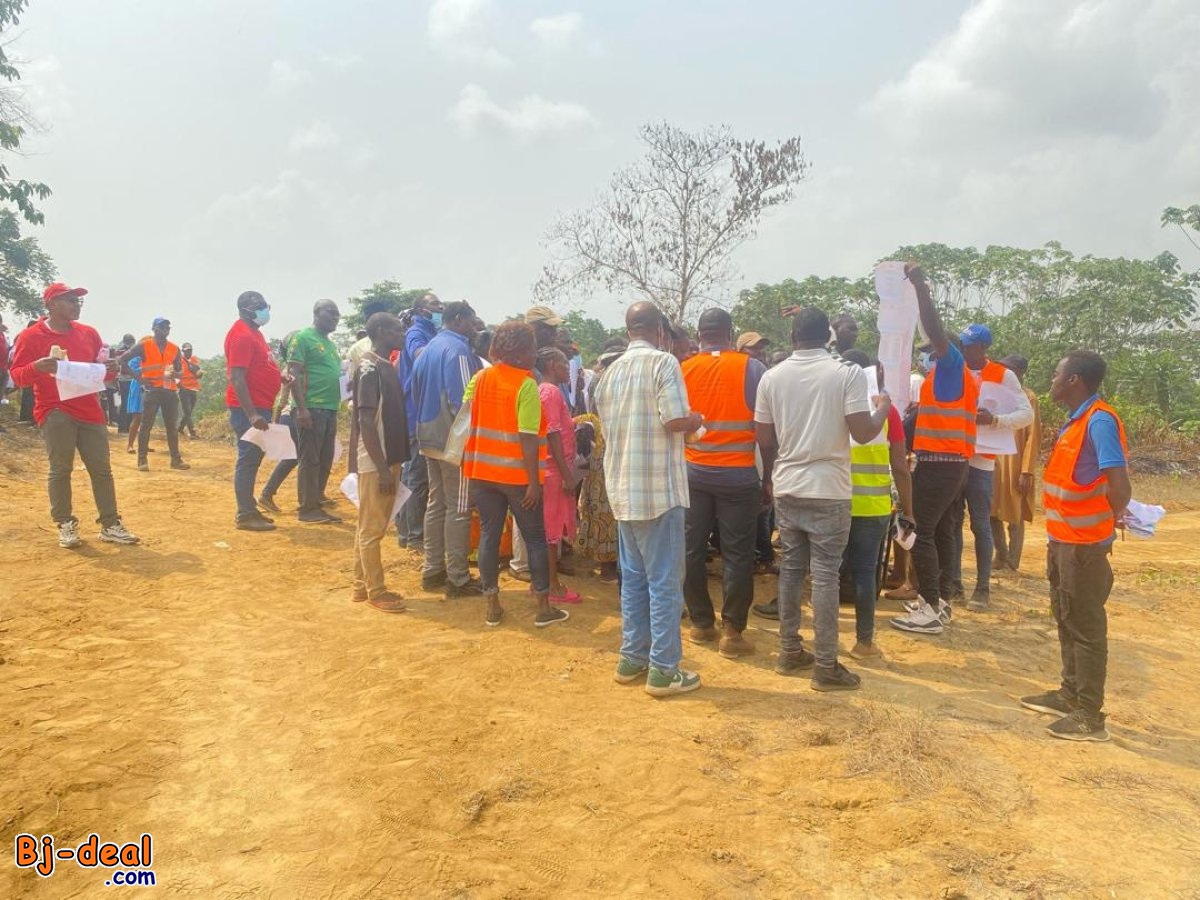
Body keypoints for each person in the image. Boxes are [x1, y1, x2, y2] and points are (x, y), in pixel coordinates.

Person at [756, 307, 889, 691]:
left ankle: (788, 651)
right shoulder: (844, 373)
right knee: (826, 575)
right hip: (829, 488)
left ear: (794, 335)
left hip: (788, 485)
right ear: (828, 336)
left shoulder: (772, 376)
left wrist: (771, 476)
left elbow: (764, 439)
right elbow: (863, 433)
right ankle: (826, 666)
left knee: (792, 570)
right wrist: (882, 410)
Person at [1020, 351, 1130, 742]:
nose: (1052, 379)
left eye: (1057, 373)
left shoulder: (1099, 421)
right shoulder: (1077, 421)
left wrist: (1104, 531)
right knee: (1066, 617)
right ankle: (1069, 694)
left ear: (1074, 380)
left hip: (1083, 547)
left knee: (1085, 626)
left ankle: (1089, 715)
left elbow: (1119, 486)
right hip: (1064, 541)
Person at [594, 302, 702, 697]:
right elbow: (674, 420)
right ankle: (663, 669)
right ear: (660, 330)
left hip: (623, 490)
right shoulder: (664, 363)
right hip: (658, 491)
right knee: (665, 583)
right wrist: (697, 420)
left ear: (628, 332)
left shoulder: (607, 374)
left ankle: (632, 658)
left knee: (635, 581)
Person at [8, 282, 140, 548]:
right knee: (61, 468)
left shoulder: (89, 334)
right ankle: (65, 523)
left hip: (90, 410)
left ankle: (110, 524)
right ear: (51, 305)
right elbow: (17, 376)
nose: (76, 305)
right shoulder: (30, 337)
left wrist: (111, 368)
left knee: (101, 470)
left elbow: (101, 370)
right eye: (70, 300)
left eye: (78, 301)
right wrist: (36, 366)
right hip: (54, 409)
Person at [461, 321, 569, 630]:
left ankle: (492, 605)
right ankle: (543, 608)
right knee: (534, 538)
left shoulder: (479, 378)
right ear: (522, 353)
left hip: (482, 473)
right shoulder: (526, 386)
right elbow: (528, 436)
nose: (535, 355)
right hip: (518, 478)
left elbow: (466, 419)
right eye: (532, 349)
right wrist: (534, 482)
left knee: (489, 536)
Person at [890, 264, 978, 636]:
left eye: (931, 350)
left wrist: (921, 288)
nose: (927, 355)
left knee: (916, 531)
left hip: (942, 464)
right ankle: (938, 599)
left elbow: (935, 330)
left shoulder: (952, 366)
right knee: (937, 531)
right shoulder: (942, 380)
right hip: (948, 463)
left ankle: (928, 607)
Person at [681, 308, 766, 660]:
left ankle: (701, 624)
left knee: (691, 550)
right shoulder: (752, 368)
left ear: (700, 334)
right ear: (729, 333)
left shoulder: (683, 369)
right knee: (737, 554)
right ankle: (732, 632)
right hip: (738, 475)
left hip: (693, 474)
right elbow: (766, 426)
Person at [949, 324, 1033, 611]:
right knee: (952, 523)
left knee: (980, 523)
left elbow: (1025, 415)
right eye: (961, 343)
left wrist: (995, 420)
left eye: (968, 344)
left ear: (982, 347)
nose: (962, 348)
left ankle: (982, 588)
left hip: (982, 460)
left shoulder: (1003, 375)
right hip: (953, 456)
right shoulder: (954, 369)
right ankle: (955, 584)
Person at [840, 350, 913, 659]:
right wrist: (908, 509)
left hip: (837, 501)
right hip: (873, 506)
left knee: (827, 570)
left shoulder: (836, 406)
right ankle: (864, 643)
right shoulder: (888, 413)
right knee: (865, 572)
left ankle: (827, 641)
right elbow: (900, 465)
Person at [412, 300, 483, 598]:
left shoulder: (427, 350)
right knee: (459, 506)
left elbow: (414, 391)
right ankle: (457, 577)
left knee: (437, 503)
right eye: (470, 321)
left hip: (428, 435)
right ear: (458, 319)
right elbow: (465, 401)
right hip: (454, 440)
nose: (473, 328)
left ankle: (433, 569)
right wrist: (472, 441)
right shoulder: (458, 350)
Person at [351, 313, 411, 613]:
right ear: (381, 331)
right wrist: (383, 467)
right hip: (378, 460)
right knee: (372, 528)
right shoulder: (368, 367)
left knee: (369, 524)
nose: (403, 333)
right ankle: (376, 590)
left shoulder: (386, 365)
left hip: (389, 457)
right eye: (397, 329)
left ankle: (361, 586)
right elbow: (364, 418)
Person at [508, 305, 565, 583]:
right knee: (527, 503)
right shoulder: (524, 365)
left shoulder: (540, 364)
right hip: (527, 445)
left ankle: (542, 561)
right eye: (549, 328)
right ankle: (523, 564)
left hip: (540, 449)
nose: (554, 333)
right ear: (536, 329)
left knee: (538, 507)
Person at [225, 290, 284, 531]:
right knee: (248, 459)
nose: (264, 309)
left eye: (265, 304)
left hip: (260, 405)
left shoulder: (255, 333)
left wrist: (281, 376)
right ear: (244, 309)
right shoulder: (241, 335)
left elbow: (264, 365)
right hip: (248, 408)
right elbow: (237, 377)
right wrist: (251, 414)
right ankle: (245, 514)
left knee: (254, 457)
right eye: (258, 305)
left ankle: (249, 508)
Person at [287, 301, 343, 525]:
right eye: (331, 313)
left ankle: (316, 501)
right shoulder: (302, 338)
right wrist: (301, 409)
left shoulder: (329, 344)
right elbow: (292, 375)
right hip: (311, 408)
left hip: (330, 408)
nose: (336, 318)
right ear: (316, 313)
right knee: (310, 460)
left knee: (325, 458)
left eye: (338, 314)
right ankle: (307, 509)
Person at [575, 339, 626, 583]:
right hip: (613, 447)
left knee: (600, 505)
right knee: (608, 507)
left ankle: (606, 563)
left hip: (602, 447)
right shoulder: (616, 380)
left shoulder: (599, 379)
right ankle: (610, 565)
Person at [534, 347, 583, 603]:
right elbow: (552, 431)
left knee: (551, 529)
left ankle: (545, 581)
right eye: (565, 364)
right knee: (551, 530)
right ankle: (551, 585)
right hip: (554, 471)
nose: (569, 369)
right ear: (553, 364)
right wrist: (567, 475)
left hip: (553, 468)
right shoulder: (550, 392)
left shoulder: (547, 391)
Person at [397, 292, 443, 550]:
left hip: (421, 412)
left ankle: (407, 532)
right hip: (417, 414)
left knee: (412, 475)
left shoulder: (431, 332)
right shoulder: (417, 332)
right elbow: (421, 357)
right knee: (416, 476)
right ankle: (413, 535)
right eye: (435, 305)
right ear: (421, 310)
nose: (440, 309)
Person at [991, 355, 1042, 572]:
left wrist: (1026, 471)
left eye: (1010, 369)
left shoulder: (1028, 398)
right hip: (994, 462)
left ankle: (1013, 561)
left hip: (1015, 462)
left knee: (1015, 513)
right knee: (990, 511)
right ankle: (1000, 554)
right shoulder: (994, 395)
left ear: (1021, 372)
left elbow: (1033, 436)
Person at [119, 317, 189, 472]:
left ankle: (175, 460)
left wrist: (176, 374)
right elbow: (122, 360)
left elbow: (179, 371)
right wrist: (138, 378)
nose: (165, 329)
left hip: (169, 391)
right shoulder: (144, 346)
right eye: (161, 326)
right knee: (146, 426)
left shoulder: (174, 348)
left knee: (172, 427)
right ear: (154, 328)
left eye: (167, 327)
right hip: (151, 391)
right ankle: (142, 461)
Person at [112, 333, 136, 433]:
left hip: (130, 379)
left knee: (129, 403)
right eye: (130, 341)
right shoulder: (122, 351)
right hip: (125, 380)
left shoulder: (121, 351)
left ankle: (127, 427)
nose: (130, 343)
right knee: (126, 403)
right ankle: (123, 427)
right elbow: (118, 364)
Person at [178, 342, 202, 438]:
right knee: (187, 411)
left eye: (190, 350)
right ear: (183, 351)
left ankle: (180, 428)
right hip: (184, 389)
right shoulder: (179, 361)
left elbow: (198, 373)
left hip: (193, 389)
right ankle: (192, 432)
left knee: (189, 411)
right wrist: (180, 386)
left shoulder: (194, 359)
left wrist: (200, 374)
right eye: (187, 350)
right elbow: (174, 375)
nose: (189, 352)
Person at [124, 355, 146, 455]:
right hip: (138, 387)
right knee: (137, 417)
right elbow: (132, 371)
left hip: (151, 386)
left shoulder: (155, 357)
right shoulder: (136, 358)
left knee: (147, 418)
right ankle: (130, 445)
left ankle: (144, 444)